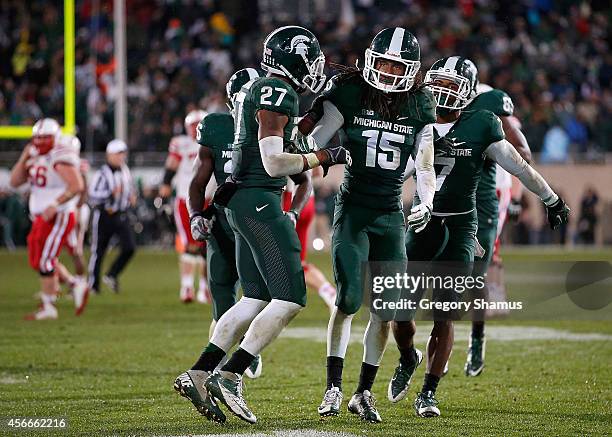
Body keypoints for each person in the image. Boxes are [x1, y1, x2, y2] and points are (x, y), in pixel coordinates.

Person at [176, 26, 348, 425]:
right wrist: (326, 155)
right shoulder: (275, 91)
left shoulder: (265, 91)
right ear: (291, 58)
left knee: (252, 299)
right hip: (259, 198)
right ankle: (232, 375)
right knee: (290, 298)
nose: (315, 65)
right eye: (309, 57)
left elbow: (278, 139)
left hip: (239, 201)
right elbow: (274, 163)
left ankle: (200, 373)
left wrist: (307, 127)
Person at [387, 56, 570, 418]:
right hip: (422, 225)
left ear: (468, 92)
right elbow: (394, 168)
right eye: (437, 82)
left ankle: (429, 392)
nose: (441, 91)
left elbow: (520, 165)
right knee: (399, 312)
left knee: (446, 314)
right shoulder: (414, 116)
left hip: (459, 227)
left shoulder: (483, 124)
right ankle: (408, 356)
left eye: (451, 86)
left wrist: (551, 199)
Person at [300, 28, 437, 423]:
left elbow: (425, 166)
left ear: (411, 70)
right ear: (370, 59)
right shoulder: (350, 91)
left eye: (399, 65)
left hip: (390, 213)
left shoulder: (420, 103)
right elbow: (314, 142)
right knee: (346, 300)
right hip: (355, 209)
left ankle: (362, 393)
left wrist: (426, 202)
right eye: (385, 62)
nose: (391, 71)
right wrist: (309, 122)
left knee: (386, 310)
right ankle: (332, 388)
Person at [174, 69, 265, 422]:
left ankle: (242, 356)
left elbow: (301, 181)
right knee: (221, 293)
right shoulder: (216, 126)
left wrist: (291, 212)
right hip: (223, 222)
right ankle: (217, 372)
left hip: (257, 221)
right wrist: (197, 214)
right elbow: (199, 181)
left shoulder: (274, 125)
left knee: (261, 294)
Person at [463, 83, 533, 376]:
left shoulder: (488, 100)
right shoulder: (438, 102)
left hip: (487, 197)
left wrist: (515, 198)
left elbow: (523, 154)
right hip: (449, 196)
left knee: (477, 271)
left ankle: (477, 336)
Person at [9, 118, 86, 320]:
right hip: (41, 216)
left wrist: (56, 203)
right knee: (37, 259)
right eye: (37, 137)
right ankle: (71, 285)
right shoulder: (35, 155)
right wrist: (24, 156)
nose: (40, 141)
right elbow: (14, 181)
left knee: (45, 260)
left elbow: (77, 185)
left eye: (45, 137)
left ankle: (50, 305)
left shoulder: (59, 155)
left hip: (58, 214)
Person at [160, 109, 211, 304]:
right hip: (185, 199)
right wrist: (165, 186)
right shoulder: (181, 143)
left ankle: (205, 289)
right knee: (190, 244)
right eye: (193, 124)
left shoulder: (212, 142)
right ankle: (187, 287)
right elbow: (171, 166)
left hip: (208, 198)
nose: (195, 128)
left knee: (207, 246)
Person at [281, 167, 337, 312]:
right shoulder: (309, 142)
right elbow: (318, 171)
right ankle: (328, 292)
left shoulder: (279, 143)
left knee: (270, 262)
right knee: (299, 263)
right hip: (306, 198)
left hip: (287, 199)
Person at [87, 139, 137, 293]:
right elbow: (92, 194)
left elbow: (129, 188)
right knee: (98, 251)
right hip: (104, 215)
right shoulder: (102, 173)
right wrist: (109, 194)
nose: (121, 157)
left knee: (129, 248)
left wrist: (132, 196)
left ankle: (111, 274)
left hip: (121, 215)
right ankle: (93, 286)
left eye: (122, 153)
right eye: (118, 154)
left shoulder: (125, 170)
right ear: (109, 155)